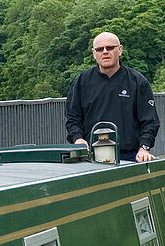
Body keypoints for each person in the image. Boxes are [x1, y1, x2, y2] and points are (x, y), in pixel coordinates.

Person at [65, 32, 159, 162]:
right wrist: (78, 139)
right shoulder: (82, 82)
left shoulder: (138, 82)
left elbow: (150, 121)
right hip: (90, 157)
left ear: (119, 50)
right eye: (99, 49)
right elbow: (72, 118)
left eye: (109, 48)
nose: (104, 52)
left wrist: (144, 148)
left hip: (128, 157)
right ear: (94, 53)